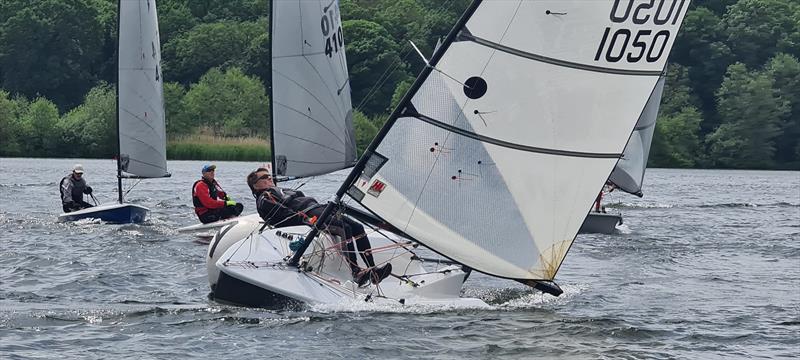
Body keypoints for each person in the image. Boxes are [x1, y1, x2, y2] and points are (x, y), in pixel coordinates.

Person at [246, 167, 392, 286]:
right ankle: (357, 272)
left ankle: (373, 271)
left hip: (319, 208)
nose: (269, 178)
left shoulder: (279, 190)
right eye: (264, 177)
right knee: (344, 228)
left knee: (358, 227)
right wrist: (304, 219)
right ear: (255, 185)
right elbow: (282, 215)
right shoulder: (264, 199)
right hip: (309, 214)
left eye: (269, 176)